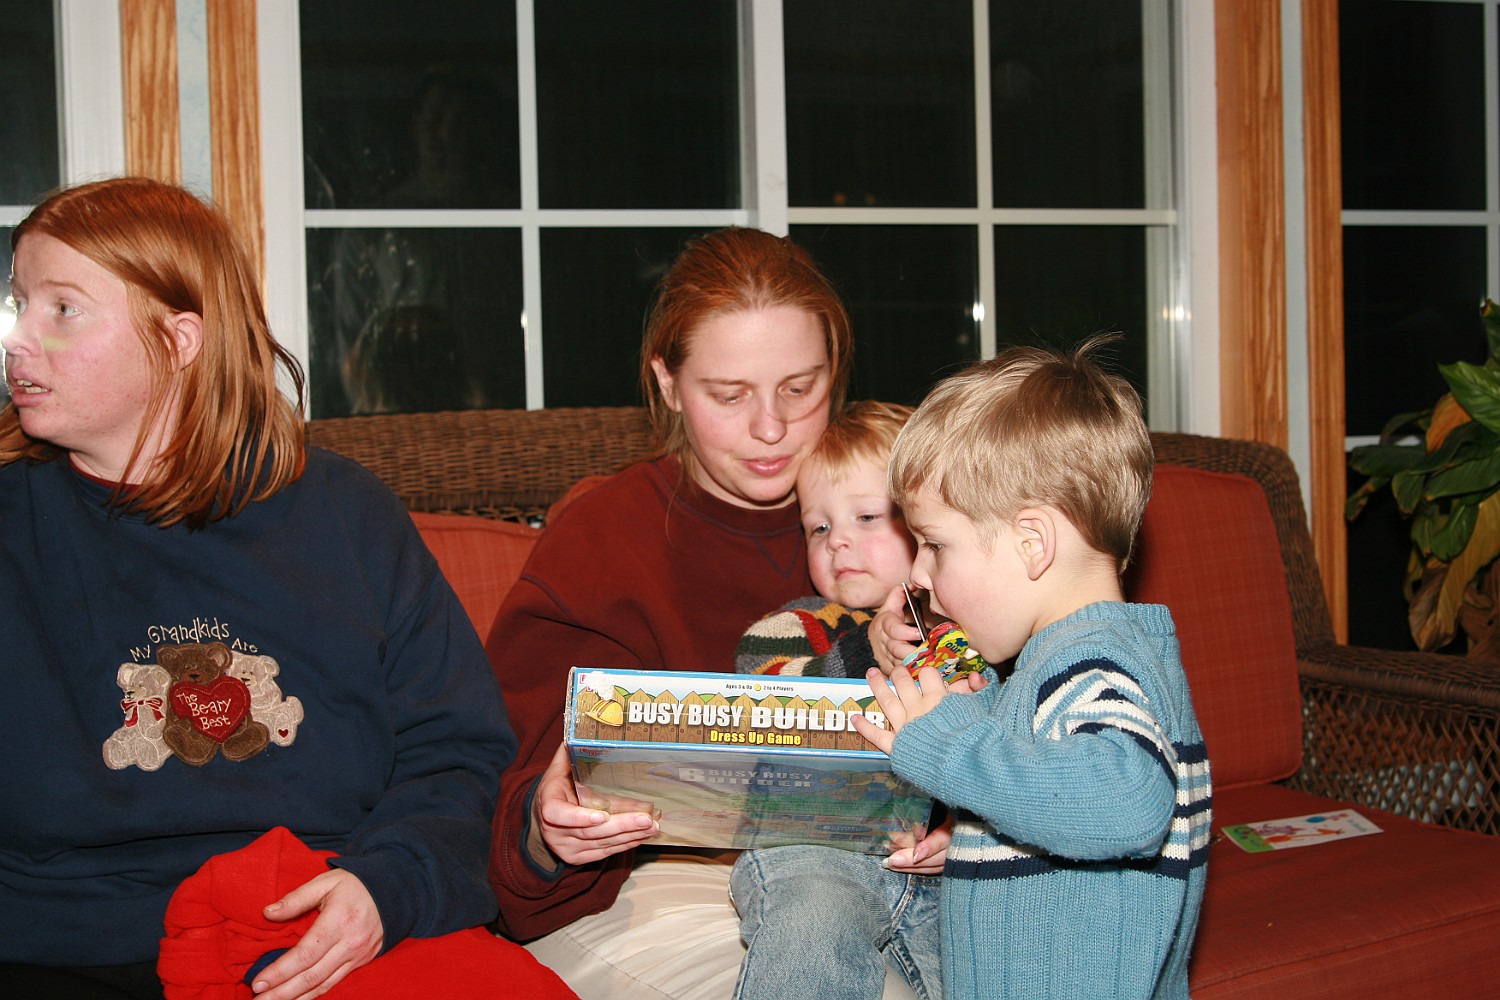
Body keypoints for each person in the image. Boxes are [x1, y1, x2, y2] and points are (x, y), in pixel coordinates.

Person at [0, 178, 544, 1000]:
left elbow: (457, 750)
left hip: (321, 927)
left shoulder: (347, 514)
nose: (19, 338)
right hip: (63, 941)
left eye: (63, 309)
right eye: (20, 302)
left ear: (178, 339)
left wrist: (386, 887)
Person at [485, 227, 861, 997]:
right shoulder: (602, 542)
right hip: (655, 890)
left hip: (874, 876)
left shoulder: (906, 516)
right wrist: (549, 829)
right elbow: (504, 821)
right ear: (666, 382)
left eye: (800, 388)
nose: (770, 427)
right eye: (729, 395)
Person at [852, 339, 1214, 999]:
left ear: (1032, 542)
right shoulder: (1070, 660)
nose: (919, 573)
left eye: (935, 545)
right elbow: (1046, 794)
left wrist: (948, 745)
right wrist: (973, 827)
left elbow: (1129, 802)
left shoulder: (1094, 663)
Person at [729, 400, 950, 1000]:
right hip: (812, 850)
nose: (838, 542)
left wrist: (960, 832)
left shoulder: (971, 635)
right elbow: (766, 694)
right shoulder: (796, 624)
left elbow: (996, 751)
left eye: (867, 517)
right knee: (812, 926)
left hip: (937, 876)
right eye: (819, 528)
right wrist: (867, 649)